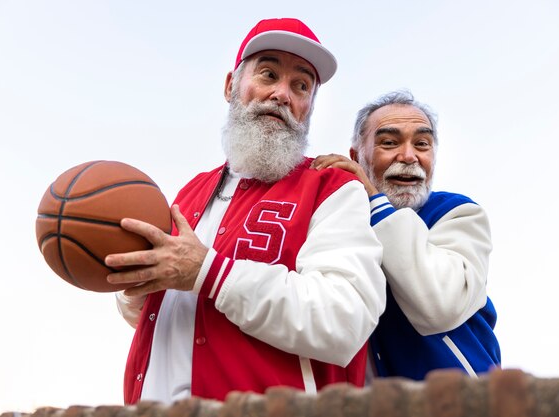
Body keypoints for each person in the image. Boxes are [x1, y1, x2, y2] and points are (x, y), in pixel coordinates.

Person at [106, 18, 386, 404]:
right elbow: (165, 315)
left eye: (301, 85)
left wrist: (209, 271)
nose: (282, 94)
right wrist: (135, 290)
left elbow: (343, 319)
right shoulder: (188, 193)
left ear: (308, 107)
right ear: (229, 87)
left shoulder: (332, 188)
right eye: (268, 74)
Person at [311, 90, 501, 381]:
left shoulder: (457, 213)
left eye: (422, 144)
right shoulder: (342, 226)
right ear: (356, 157)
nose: (409, 156)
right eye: (389, 142)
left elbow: (438, 304)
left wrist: (375, 201)